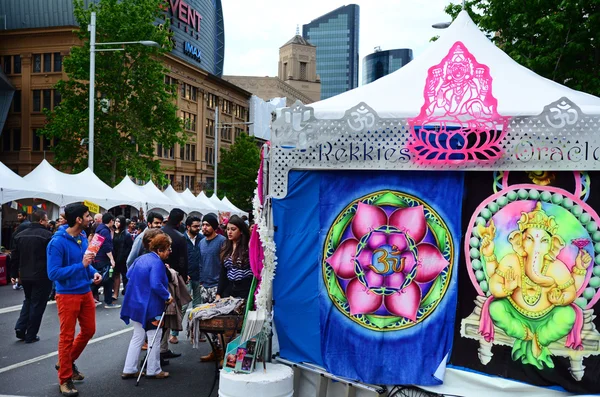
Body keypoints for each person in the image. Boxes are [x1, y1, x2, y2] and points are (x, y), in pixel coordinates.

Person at [47, 203, 102, 397]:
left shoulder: (81, 238)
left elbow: (86, 264)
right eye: (87, 216)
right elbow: (53, 273)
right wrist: (82, 266)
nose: (90, 218)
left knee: (89, 330)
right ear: (78, 219)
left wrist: (94, 272)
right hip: (67, 294)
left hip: (85, 290)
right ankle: (65, 379)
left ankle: (66, 362)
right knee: (67, 336)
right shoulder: (57, 242)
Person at [120, 230, 172, 380]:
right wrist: (168, 296)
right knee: (154, 337)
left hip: (135, 303)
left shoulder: (141, 259)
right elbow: (156, 284)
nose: (169, 252)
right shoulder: (157, 263)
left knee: (137, 336)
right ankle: (154, 369)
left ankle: (129, 368)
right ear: (160, 250)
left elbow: (129, 274)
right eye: (168, 249)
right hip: (151, 305)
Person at [10, 210, 53, 343]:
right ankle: (31, 334)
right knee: (38, 304)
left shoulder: (20, 235)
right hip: (42, 275)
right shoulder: (47, 235)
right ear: (41, 220)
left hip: (25, 274)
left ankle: (21, 327)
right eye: (46, 220)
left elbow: (14, 257)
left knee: (28, 300)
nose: (47, 222)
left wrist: (13, 274)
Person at [169, 216, 203, 344]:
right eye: (195, 226)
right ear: (188, 227)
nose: (198, 228)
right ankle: (174, 334)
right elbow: (178, 259)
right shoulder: (181, 239)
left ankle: (196, 333)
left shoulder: (202, 239)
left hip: (199, 277)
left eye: (199, 226)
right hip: (186, 277)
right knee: (183, 306)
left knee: (198, 307)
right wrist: (183, 274)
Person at [198, 213, 227, 362]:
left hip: (217, 286)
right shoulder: (201, 242)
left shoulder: (222, 241)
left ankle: (223, 352)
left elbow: (225, 265)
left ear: (214, 226)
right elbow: (201, 262)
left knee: (220, 321)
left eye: (207, 225)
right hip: (205, 285)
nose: (204, 227)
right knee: (208, 322)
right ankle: (214, 351)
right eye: (203, 225)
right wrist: (202, 281)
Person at [160, 208, 188, 359]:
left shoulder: (158, 233)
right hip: (172, 278)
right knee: (169, 313)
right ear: (180, 221)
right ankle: (161, 349)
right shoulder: (179, 237)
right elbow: (183, 260)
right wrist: (183, 277)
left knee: (159, 315)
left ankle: (161, 347)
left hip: (157, 277)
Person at [216, 215, 253, 301]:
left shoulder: (248, 247)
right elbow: (223, 272)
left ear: (241, 231)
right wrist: (218, 293)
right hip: (229, 289)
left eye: (233, 229)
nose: (229, 232)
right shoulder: (226, 246)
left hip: (244, 289)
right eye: (228, 229)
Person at [92, 213, 119, 308]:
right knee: (106, 279)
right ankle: (108, 302)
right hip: (103, 259)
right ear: (111, 221)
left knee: (103, 279)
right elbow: (106, 246)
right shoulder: (105, 231)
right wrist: (112, 259)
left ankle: (95, 298)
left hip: (97, 258)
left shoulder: (99, 229)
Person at [10, 210, 31, 290]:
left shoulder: (22, 226)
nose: (18, 217)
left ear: (25, 216)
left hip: (20, 249)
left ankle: (20, 283)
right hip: (27, 249)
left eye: (20, 216)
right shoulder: (27, 224)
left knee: (20, 267)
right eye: (18, 216)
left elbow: (15, 238)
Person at [113, 216, 133, 299]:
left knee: (125, 276)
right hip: (114, 257)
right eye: (116, 221)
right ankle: (115, 293)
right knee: (115, 275)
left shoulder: (126, 234)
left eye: (119, 221)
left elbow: (129, 247)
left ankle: (127, 293)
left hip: (123, 259)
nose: (116, 223)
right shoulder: (113, 232)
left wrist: (125, 256)